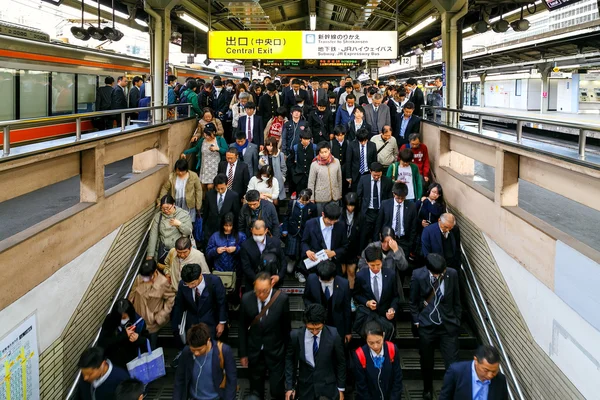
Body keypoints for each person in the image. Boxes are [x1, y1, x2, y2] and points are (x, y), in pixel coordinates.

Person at [410, 253, 462, 400]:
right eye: (438, 273)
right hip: (426, 326)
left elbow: (457, 300)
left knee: (453, 363)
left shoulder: (452, 274)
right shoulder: (418, 275)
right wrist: (417, 321)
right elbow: (413, 302)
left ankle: (451, 392)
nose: (441, 275)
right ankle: (427, 388)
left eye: (442, 272)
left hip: (448, 326)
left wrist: (456, 320)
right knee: (427, 361)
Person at [239, 272, 291, 400]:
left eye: (265, 291)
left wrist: (287, 352)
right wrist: (243, 353)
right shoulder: (246, 299)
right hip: (255, 351)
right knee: (256, 391)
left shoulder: (282, 299)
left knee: (277, 389)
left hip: (276, 351)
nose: (261, 295)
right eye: (258, 291)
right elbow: (242, 328)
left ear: (271, 286)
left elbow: (286, 328)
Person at [285, 304, 346, 400]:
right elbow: (289, 361)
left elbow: (341, 363)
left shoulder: (334, 335)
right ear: (305, 324)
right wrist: (289, 387)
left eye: (318, 329)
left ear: (324, 323)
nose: (314, 332)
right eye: (310, 329)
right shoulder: (296, 336)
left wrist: (341, 389)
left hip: (328, 388)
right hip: (305, 388)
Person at [173, 323, 238, 400]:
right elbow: (179, 379)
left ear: (208, 341)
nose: (196, 353)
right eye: (193, 350)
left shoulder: (224, 351)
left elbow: (232, 380)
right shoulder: (187, 352)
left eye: (200, 350)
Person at [353, 246, 400, 341]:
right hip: (368, 319)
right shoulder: (361, 275)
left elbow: (396, 296)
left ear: (382, 261)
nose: (375, 268)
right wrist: (367, 302)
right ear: (366, 261)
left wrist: (392, 309)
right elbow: (356, 295)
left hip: (386, 318)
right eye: (372, 265)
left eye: (378, 264)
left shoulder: (390, 274)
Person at [172, 263, 227, 341]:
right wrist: (177, 325)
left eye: (192, 283)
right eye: (187, 284)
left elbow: (221, 303)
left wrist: (221, 323)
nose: (190, 286)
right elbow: (179, 305)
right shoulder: (182, 284)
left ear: (200, 275)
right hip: (192, 323)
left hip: (210, 321)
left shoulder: (214, 281)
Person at [128, 259, 176, 348]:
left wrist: (160, 316)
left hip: (152, 321)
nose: (144, 279)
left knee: (150, 345)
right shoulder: (139, 278)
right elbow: (133, 293)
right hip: (138, 317)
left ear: (154, 272)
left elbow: (170, 299)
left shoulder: (163, 283)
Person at [303, 261, 352, 343]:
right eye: (322, 281)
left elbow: (347, 309)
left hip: (337, 323)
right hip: (318, 323)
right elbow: (306, 298)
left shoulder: (344, 284)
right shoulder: (311, 279)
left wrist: (348, 331)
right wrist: (313, 312)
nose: (325, 283)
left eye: (328, 281)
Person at [353, 321, 403, 400]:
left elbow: (397, 378)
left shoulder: (392, 349)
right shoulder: (360, 355)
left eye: (378, 341)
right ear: (366, 339)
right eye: (371, 343)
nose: (375, 346)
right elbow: (362, 386)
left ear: (383, 335)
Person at [439, 345, 509, 400]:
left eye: (494, 371)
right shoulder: (456, 372)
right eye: (486, 370)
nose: (490, 375)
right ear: (475, 360)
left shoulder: (500, 379)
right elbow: (445, 397)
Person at [358, 227, 409, 301]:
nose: (386, 245)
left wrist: (396, 251)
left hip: (390, 284)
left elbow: (404, 267)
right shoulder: (372, 247)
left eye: (389, 242)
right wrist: (375, 269)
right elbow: (361, 265)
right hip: (373, 281)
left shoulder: (397, 249)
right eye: (384, 242)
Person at [98, 299, 150, 370]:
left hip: (133, 362)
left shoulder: (139, 322)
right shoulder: (110, 320)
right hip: (114, 362)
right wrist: (124, 335)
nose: (122, 320)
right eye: (119, 318)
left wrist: (138, 339)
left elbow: (146, 341)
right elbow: (103, 342)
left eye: (124, 317)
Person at [301, 202, 348, 275]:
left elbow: (345, 246)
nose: (332, 223)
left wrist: (334, 253)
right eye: (330, 220)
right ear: (323, 214)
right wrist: (307, 251)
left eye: (335, 220)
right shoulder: (310, 224)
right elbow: (304, 242)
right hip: (315, 265)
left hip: (333, 266)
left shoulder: (340, 225)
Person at [374, 182, 418, 259]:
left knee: (402, 263)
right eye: (398, 198)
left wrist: (410, 243)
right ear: (394, 194)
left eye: (403, 198)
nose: (400, 200)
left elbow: (413, 227)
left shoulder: (412, 206)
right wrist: (378, 240)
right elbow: (379, 223)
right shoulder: (385, 204)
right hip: (388, 239)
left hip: (404, 241)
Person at [282, 189, 318, 283]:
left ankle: (299, 271)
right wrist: (285, 229)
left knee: (303, 253)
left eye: (306, 201)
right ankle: (291, 262)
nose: (304, 203)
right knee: (292, 252)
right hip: (293, 232)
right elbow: (286, 216)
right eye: (302, 201)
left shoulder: (313, 207)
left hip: (305, 233)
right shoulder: (292, 203)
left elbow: (314, 220)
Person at [240, 219, 286, 289]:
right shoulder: (245, 246)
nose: (258, 237)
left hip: (272, 283)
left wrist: (279, 276)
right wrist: (257, 280)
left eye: (260, 234)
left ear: (266, 230)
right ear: (251, 230)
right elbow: (246, 267)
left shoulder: (275, 242)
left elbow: (283, 261)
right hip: (253, 284)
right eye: (255, 234)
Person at [146, 194, 193, 264]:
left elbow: (188, 232)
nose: (166, 210)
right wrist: (150, 255)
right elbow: (153, 235)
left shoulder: (183, 214)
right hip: (162, 249)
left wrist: (179, 224)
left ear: (173, 204)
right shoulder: (158, 217)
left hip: (177, 251)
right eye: (163, 208)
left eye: (168, 208)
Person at [357, 162, 393, 251]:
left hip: (380, 211)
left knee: (377, 234)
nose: (376, 177)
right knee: (364, 234)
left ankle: (376, 253)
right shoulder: (363, 179)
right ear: (370, 171)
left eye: (378, 175)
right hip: (368, 211)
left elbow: (389, 198)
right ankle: (362, 253)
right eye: (374, 175)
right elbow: (359, 195)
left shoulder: (387, 181)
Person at [183, 122, 228, 192]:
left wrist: (218, 149)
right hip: (204, 168)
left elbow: (226, 151)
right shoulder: (202, 140)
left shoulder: (219, 140)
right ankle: (204, 201)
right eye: (205, 134)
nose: (206, 137)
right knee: (202, 186)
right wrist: (185, 152)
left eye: (208, 135)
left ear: (214, 132)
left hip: (215, 168)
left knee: (210, 186)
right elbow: (196, 148)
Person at [201, 174, 241, 245]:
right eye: (217, 188)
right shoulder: (209, 195)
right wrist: (204, 227)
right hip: (210, 228)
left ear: (227, 184)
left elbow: (236, 214)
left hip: (226, 229)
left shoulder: (233, 196)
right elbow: (205, 212)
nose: (219, 191)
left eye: (222, 188)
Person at [158, 159, 202, 223]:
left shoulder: (193, 176)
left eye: (182, 171)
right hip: (177, 203)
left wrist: (198, 206)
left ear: (186, 169)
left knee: (188, 222)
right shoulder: (172, 177)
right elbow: (165, 188)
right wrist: (160, 201)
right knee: (176, 221)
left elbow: (198, 190)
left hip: (189, 204)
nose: (180, 173)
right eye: (178, 171)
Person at [307, 141, 343, 213]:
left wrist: (339, 193)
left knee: (334, 218)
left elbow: (339, 179)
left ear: (329, 150)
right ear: (319, 153)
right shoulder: (314, 164)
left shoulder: (336, 162)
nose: (324, 154)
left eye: (325, 152)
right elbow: (311, 182)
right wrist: (311, 198)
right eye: (321, 152)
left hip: (334, 197)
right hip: (321, 198)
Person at [416, 183, 446, 257]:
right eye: (433, 192)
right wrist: (420, 222)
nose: (435, 195)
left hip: (434, 231)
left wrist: (426, 202)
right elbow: (413, 215)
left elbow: (436, 212)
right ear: (429, 191)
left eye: (438, 193)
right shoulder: (420, 202)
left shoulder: (440, 204)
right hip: (420, 230)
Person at [340, 192, 362, 289]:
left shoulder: (361, 216)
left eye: (352, 205)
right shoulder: (340, 214)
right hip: (341, 248)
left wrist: (360, 252)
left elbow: (363, 235)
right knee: (341, 271)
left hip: (353, 249)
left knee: (351, 272)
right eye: (348, 205)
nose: (350, 208)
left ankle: (350, 295)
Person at [346, 128, 377, 192]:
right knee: (356, 193)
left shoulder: (372, 145)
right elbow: (348, 161)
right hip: (356, 175)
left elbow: (374, 161)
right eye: (361, 141)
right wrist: (348, 176)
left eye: (364, 141)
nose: (363, 143)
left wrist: (374, 173)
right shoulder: (352, 145)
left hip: (368, 173)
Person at [259, 136, 287, 202]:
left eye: (271, 146)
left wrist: (283, 177)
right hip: (266, 179)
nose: (269, 147)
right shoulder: (262, 154)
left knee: (276, 199)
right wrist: (261, 164)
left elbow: (283, 167)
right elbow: (260, 169)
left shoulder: (280, 154)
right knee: (267, 198)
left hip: (277, 179)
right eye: (268, 145)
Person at [289, 129, 316, 195]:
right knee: (300, 196)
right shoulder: (295, 147)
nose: (306, 141)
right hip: (299, 177)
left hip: (311, 176)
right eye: (305, 139)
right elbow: (290, 162)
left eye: (308, 139)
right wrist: (294, 173)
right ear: (301, 139)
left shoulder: (314, 147)